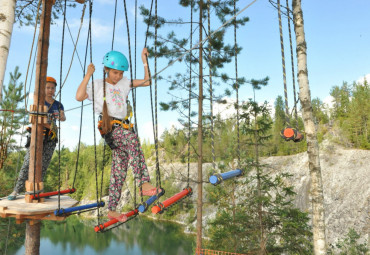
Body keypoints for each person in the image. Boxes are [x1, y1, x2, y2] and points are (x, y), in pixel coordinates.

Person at [76, 48, 161, 222]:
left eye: (121, 73)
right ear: (106, 69)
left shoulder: (124, 83)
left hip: (123, 127)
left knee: (119, 168)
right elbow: (79, 96)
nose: (118, 76)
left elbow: (146, 82)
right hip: (110, 127)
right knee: (132, 139)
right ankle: (143, 182)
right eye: (115, 72)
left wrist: (144, 59)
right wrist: (88, 75)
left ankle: (112, 208)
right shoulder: (98, 84)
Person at [8, 76, 66, 200]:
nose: (50, 90)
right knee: (28, 163)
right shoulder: (38, 102)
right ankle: (16, 190)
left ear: (55, 89)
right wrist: (49, 124)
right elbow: (35, 119)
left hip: (51, 137)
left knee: (44, 164)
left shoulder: (58, 104)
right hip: (37, 135)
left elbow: (63, 118)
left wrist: (61, 115)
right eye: (47, 88)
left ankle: (38, 190)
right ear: (43, 89)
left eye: (52, 88)